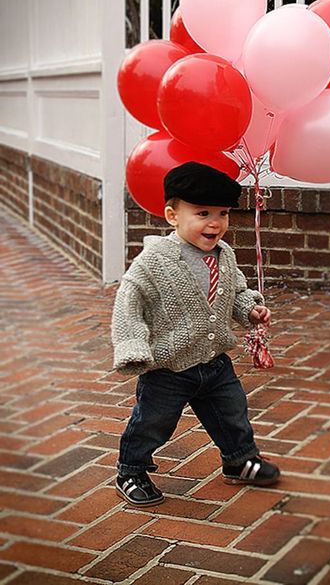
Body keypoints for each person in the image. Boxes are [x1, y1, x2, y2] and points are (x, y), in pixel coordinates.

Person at [112, 161, 280, 507]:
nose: (215, 223)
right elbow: (130, 300)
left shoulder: (224, 254)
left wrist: (248, 308)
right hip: (168, 368)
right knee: (153, 422)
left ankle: (239, 460)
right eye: (202, 213)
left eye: (222, 213)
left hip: (213, 361)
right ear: (173, 215)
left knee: (232, 412)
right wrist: (132, 345)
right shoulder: (155, 260)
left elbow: (234, 290)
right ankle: (131, 469)